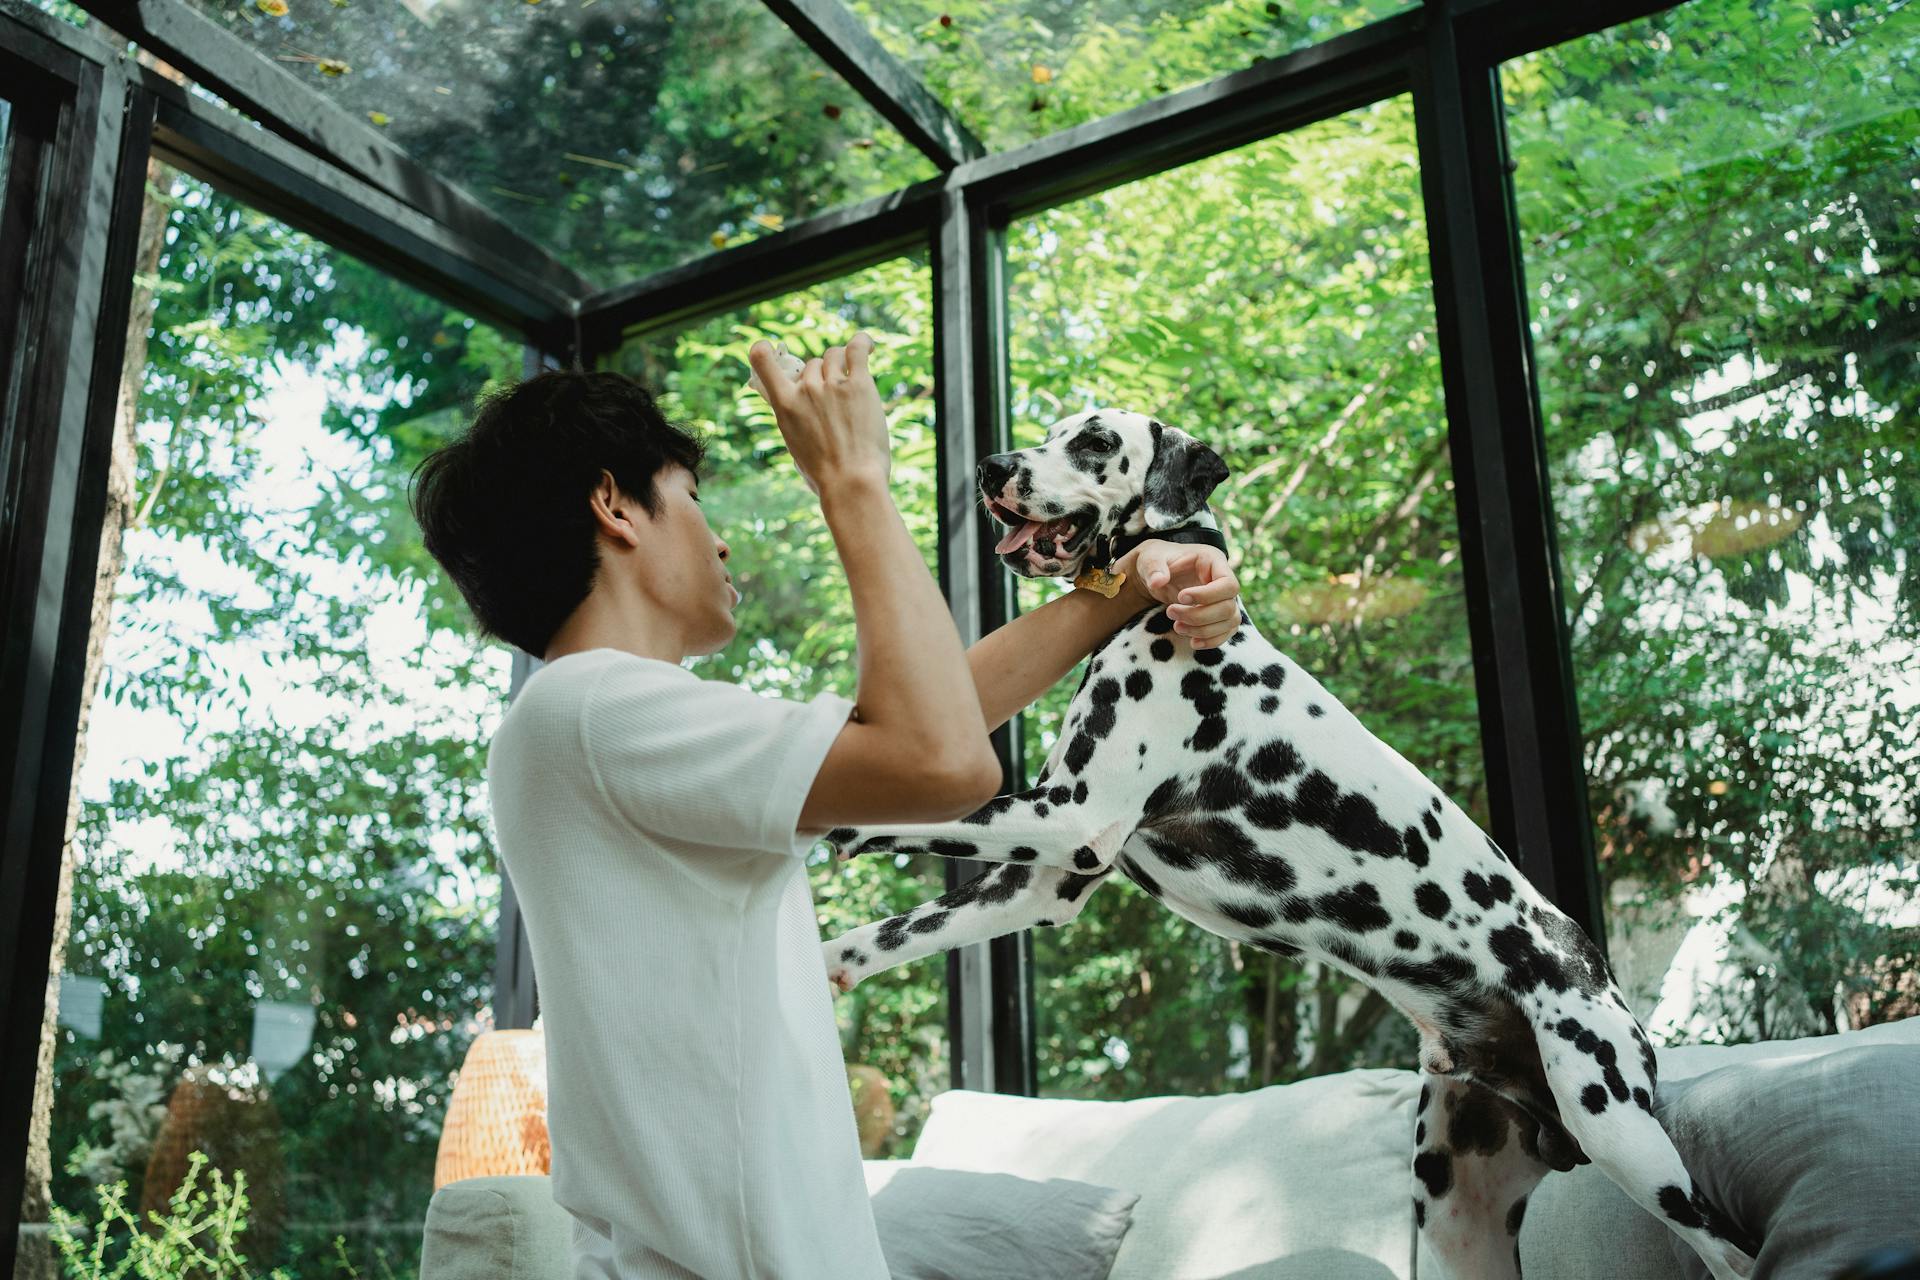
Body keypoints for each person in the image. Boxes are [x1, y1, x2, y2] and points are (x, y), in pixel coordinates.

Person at [408, 333, 1244, 1279]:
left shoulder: (603, 723)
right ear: (615, 506)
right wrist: (851, 481)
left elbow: (928, 724)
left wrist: (1133, 582)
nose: (717, 536)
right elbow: (941, 759)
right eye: (692, 498)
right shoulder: (591, 710)